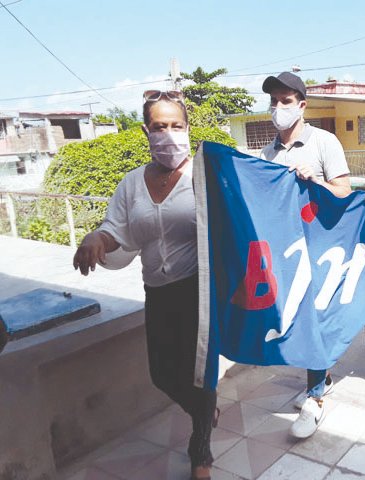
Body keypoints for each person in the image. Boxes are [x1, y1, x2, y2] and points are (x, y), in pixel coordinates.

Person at [73, 90, 217, 480]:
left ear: (188, 128)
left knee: (199, 374)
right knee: (162, 374)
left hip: (200, 293)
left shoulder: (205, 176)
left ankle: (200, 451)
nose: (169, 134)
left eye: (176, 125)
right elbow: (116, 230)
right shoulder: (131, 183)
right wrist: (95, 240)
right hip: (157, 290)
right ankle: (205, 409)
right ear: (145, 131)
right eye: (159, 127)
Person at [260, 72, 351, 439]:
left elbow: (344, 192)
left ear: (302, 104)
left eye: (286, 101)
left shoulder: (324, 142)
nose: (278, 108)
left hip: (320, 247)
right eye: (274, 101)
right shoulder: (267, 152)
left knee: (313, 318)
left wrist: (316, 180)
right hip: (285, 250)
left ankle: (315, 399)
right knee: (293, 315)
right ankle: (322, 376)